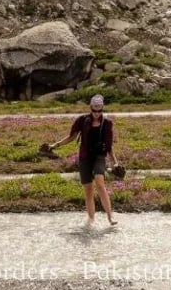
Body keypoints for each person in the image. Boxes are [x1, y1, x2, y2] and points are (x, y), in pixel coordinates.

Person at [46, 93, 118, 226]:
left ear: (103, 108)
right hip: (85, 157)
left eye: (100, 110)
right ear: (90, 107)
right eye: (94, 110)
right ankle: (91, 219)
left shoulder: (107, 123)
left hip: (99, 157)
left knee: (100, 182)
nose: (97, 113)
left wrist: (115, 162)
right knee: (88, 190)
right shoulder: (82, 120)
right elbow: (71, 136)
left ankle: (110, 217)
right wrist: (55, 145)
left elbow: (109, 146)